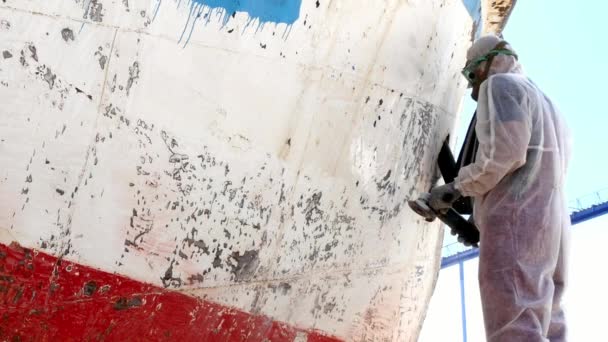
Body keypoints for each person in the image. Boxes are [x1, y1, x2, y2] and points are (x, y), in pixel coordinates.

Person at [428, 34, 571, 342]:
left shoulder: (501, 85)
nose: (471, 89)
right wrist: (477, 221)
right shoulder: (550, 106)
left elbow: (505, 155)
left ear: (489, 62)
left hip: (515, 227)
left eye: (470, 75)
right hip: (553, 233)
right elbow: (531, 171)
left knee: (513, 329)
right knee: (549, 323)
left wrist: (455, 189)